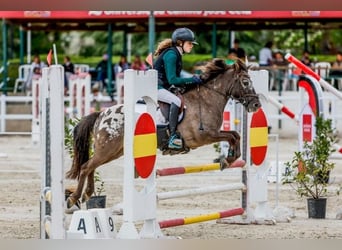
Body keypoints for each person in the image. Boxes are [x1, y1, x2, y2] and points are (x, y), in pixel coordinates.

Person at [153, 27, 203, 149]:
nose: (192, 46)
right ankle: (172, 136)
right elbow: (173, 80)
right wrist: (192, 79)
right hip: (155, 87)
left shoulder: (176, 53)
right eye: (190, 43)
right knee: (176, 101)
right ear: (180, 42)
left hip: (162, 86)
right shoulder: (171, 55)